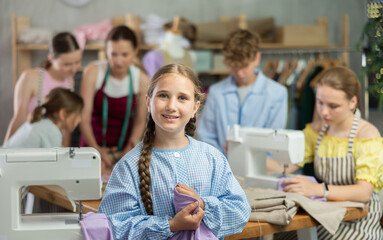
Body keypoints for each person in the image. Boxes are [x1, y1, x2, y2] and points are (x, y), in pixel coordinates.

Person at [98, 64, 251, 240]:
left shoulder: (212, 157)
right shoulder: (128, 166)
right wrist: (171, 225)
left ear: (195, 107)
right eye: (163, 95)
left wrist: (203, 204)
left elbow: (239, 210)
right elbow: (113, 227)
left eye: (182, 98)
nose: (171, 106)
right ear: (148, 102)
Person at [282, 66, 383, 239]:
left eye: (333, 106)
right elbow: (286, 166)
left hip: (359, 222)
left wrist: (317, 189)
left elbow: (364, 192)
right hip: (327, 216)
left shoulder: (366, 134)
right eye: (320, 103)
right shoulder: (316, 131)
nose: (324, 112)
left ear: (352, 102)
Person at [197, 29, 287, 154]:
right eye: (234, 66)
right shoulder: (216, 92)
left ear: (257, 58)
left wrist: (244, 150)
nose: (239, 72)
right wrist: (222, 160)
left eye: (244, 66)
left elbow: (274, 140)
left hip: (261, 170)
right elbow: (206, 135)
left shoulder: (277, 93)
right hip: (222, 168)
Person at [79, 25, 149, 169]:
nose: (118, 61)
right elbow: (83, 118)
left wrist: (127, 153)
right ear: (106, 51)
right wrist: (96, 150)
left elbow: (140, 122)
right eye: (113, 54)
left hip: (125, 149)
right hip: (91, 147)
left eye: (124, 54)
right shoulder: (93, 73)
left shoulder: (141, 79)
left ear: (135, 52)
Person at [3, 32, 82, 146]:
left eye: (77, 62)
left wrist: (65, 155)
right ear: (51, 58)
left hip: (51, 145)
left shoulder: (70, 81)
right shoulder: (30, 77)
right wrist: (6, 153)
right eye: (67, 64)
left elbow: (66, 125)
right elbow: (19, 117)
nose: (74, 69)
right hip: (32, 145)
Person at [3, 87, 83, 148]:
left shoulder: (40, 123)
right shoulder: (51, 131)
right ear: (63, 114)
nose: (80, 119)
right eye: (78, 114)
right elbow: (54, 164)